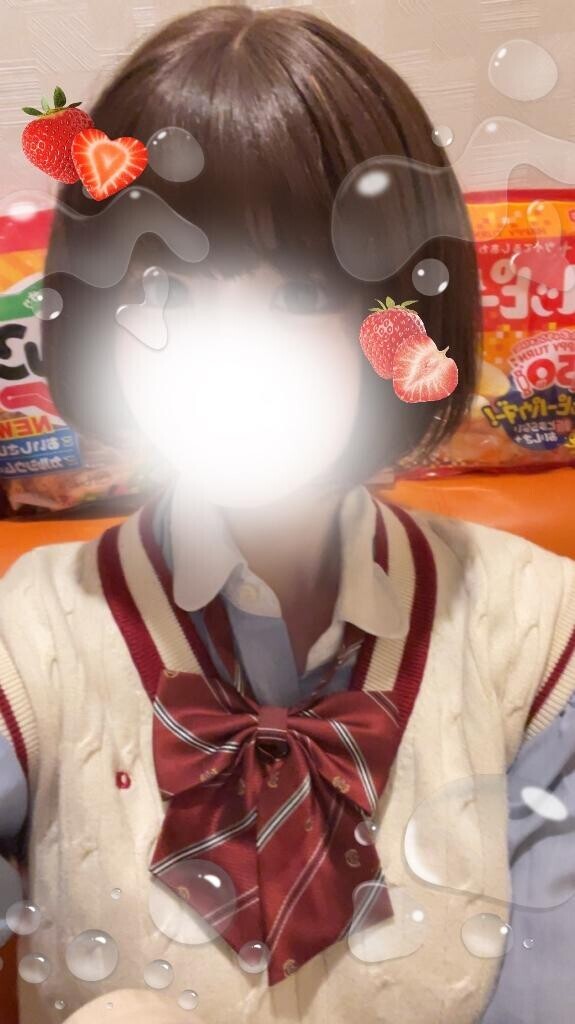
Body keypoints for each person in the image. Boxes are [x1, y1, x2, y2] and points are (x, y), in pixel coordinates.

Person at [0, 5, 574, 1023]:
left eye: (303, 291)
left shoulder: (536, 633)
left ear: (405, 315)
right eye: (166, 292)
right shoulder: (30, 637)